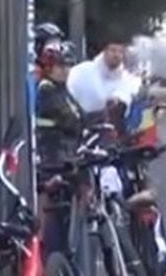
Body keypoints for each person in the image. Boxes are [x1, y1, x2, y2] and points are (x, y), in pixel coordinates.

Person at [34, 41, 84, 256]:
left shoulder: (62, 90)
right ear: (48, 68)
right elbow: (71, 119)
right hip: (51, 161)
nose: (65, 70)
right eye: (60, 66)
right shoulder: (47, 90)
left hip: (64, 158)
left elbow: (79, 116)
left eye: (68, 66)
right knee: (52, 226)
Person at [67, 37, 142, 118]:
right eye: (113, 50)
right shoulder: (83, 70)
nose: (116, 55)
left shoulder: (127, 79)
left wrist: (119, 99)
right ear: (105, 51)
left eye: (120, 52)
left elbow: (131, 94)